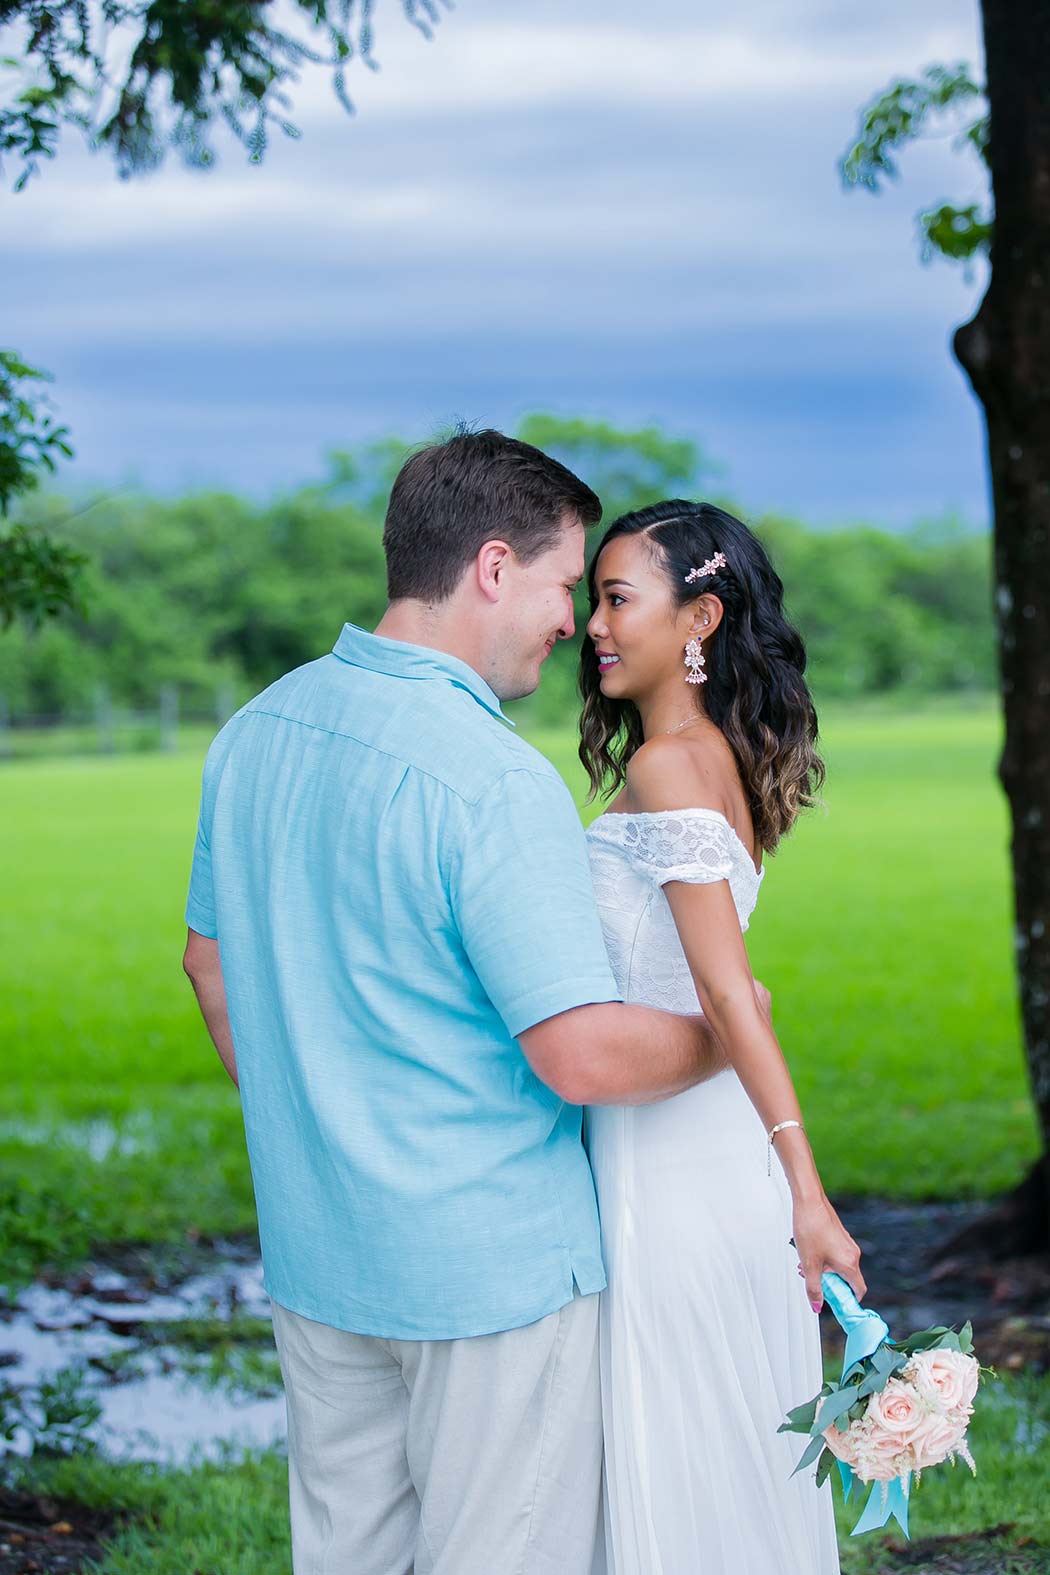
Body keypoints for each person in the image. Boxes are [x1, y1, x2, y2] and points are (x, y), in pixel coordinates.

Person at [181, 430, 771, 1575]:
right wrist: (729, 1031)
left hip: (319, 1251)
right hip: (492, 1276)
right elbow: (585, 1058)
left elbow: (210, 968)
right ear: (494, 569)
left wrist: (327, 1131)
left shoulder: (251, 733)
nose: (573, 622)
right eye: (564, 585)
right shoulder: (493, 777)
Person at [580, 499, 864, 1575]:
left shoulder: (667, 768)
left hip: (672, 1165)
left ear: (699, 619)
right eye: (593, 601)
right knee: (720, 1449)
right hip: (678, 1139)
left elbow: (731, 993)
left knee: (679, 1446)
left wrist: (808, 1191)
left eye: (618, 600)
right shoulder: (714, 757)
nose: (596, 626)